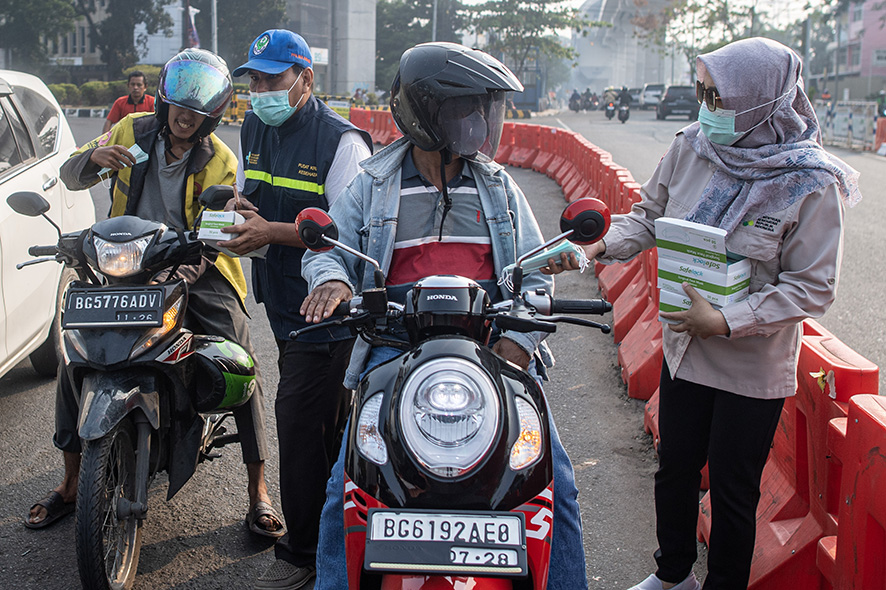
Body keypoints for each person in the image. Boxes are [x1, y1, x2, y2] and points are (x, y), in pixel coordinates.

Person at [544, 38, 861, 590]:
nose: (706, 108)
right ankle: (672, 577)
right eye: (702, 92)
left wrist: (730, 318)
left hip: (751, 364)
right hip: (684, 347)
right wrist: (597, 247)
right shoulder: (692, 146)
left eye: (719, 96)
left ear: (762, 101)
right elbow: (648, 217)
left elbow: (812, 287)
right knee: (675, 469)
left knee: (734, 493)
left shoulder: (810, 183)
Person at [299, 41, 589, 590]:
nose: (481, 122)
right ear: (426, 114)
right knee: (348, 485)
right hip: (394, 348)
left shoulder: (499, 187)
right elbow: (328, 249)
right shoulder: (373, 182)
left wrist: (519, 344)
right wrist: (332, 278)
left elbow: (534, 270)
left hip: (490, 349)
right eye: (467, 109)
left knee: (556, 483)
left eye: (484, 109)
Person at [29, 49, 284, 541]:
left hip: (198, 268)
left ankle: (260, 491)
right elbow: (71, 176)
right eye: (178, 107)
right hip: (123, 263)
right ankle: (70, 481)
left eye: (197, 111)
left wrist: (176, 280)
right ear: (164, 100)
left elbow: (213, 236)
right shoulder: (130, 132)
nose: (185, 118)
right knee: (74, 357)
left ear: (212, 116)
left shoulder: (221, 160)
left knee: (237, 357)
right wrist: (90, 158)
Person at [218, 29, 372, 590]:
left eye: (270, 79)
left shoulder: (342, 143)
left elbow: (350, 235)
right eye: (253, 79)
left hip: (328, 306)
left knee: (301, 424)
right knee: (326, 428)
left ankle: (305, 553)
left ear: (305, 79)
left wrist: (272, 232)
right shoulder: (256, 124)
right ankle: (341, 541)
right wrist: (240, 209)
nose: (258, 89)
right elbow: (250, 190)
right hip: (281, 302)